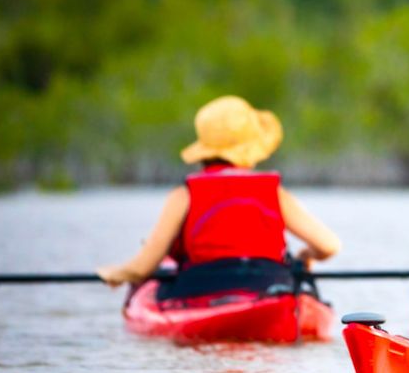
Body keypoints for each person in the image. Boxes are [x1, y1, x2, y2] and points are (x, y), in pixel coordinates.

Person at [98, 96, 341, 296]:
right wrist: (306, 256)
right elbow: (329, 245)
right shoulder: (274, 192)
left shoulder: (184, 194)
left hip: (200, 288)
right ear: (251, 149)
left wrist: (116, 274)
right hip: (267, 284)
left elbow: (142, 268)